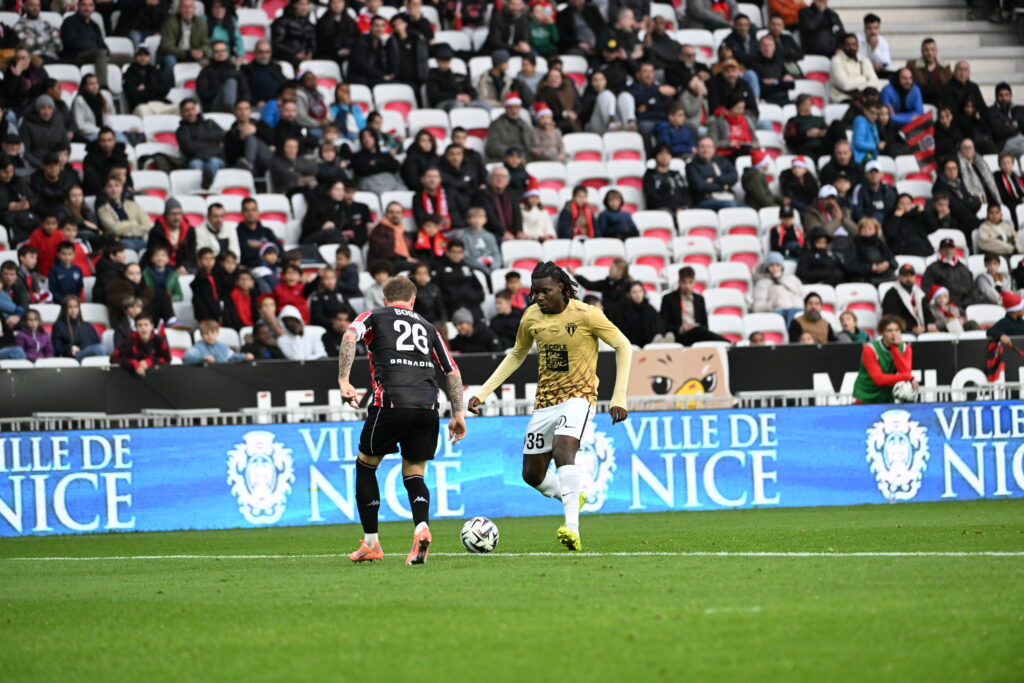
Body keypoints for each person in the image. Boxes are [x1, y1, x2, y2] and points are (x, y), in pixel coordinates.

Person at [468, 262, 632, 552]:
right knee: (531, 475)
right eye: (535, 292)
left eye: (545, 291)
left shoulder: (587, 314)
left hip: (579, 396)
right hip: (545, 402)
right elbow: (517, 354)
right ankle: (573, 496)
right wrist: (483, 392)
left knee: (563, 449)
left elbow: (623, 345)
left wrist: (619, 397)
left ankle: (572, 528)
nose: (538, 297)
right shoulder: (531, 316)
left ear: (561, 288)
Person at [338, 275, 466, 564]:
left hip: (391, 401)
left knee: (366, 465)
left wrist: (344, 381)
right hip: (427, 406)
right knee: (414, 473)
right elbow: (452, 371)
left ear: (384, 299)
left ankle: (372, 543)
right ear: (412, 300)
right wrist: (458, 413)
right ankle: (421, 528)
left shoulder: (374, 315)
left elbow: (349, 336)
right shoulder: (428, 327)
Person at [852, 315, 915, 403]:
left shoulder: (905, 348)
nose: (894, 334)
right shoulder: (870, 349)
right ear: (882, 333)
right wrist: (909, 377)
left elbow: (905, 373)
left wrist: (894, 348)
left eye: (897, 330)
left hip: (886, 397)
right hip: (865, 396)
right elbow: (879, 379)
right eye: (889, 330)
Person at [659, 266, 728, 345]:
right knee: (699, 331)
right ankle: (727, 343)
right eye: (684, 282)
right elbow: (664, 324)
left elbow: (705, 324)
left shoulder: (699, 299)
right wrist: (682, 328)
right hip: (679, 336)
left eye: (690, 282)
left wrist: (694, 327)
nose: (687, 286)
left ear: (694, 282)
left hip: (698, 334)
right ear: (679, 282)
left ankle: (726, 343)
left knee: (699, 330)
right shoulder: (669, 299)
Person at [157, 0, 210, 85]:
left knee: (210, 57)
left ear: (194, 9)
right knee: (170, 60)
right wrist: (187, 53)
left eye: (190, 7)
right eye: (185, 7)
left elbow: (206, 43)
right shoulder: (170, 23)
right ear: (179, 9)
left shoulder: (201, 24)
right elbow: (166, 46)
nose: (188, 10)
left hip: (193, 54)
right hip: (175, 54)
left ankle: (204, 86)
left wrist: (202, 51)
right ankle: (167, 87)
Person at [176, 99, 225, 188]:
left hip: (215, 157)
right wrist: (211, 143)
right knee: (196, 165)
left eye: (192, 109)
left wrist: (197, 140)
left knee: (214, 162)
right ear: (182, 113)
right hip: (195, 159)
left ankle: (207, 186)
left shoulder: (210, 123)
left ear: (197, 110)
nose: (190, 113)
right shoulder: (181, 130)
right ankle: (202, 189)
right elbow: (189, 148)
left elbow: (222, 136)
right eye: (187, 110)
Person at [932, 156, 982, 242]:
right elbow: (956, 208)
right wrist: (967, 203)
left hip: (967, 218)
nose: (952, 172)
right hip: (955, 221)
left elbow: (976, 203)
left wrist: (964, 203)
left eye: (954, 168)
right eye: (949, 169)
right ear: (943, 171)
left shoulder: (959, 182)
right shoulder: (939, 187)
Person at [686, 136, 741, 209]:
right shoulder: (691, 166)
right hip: (704, 200)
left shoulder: (722, 161)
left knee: (749, 209)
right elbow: (700, 186)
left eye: (709, 147)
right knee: (731, 205)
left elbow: (734, 176)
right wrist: (723, 187)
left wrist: (714, 179)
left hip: (727, 197)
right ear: (697, 149)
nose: (706, 150)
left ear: (714, 149)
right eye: (702, 147)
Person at [921, 238, 976, 309]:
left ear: (955, 250)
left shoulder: (964, 269)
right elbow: (927, 289)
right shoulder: (933, 268)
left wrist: (966, 305)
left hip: (965, 307)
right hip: (943, 307)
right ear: (940, 251)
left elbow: (972, 289)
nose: (948, 250)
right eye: (945, 248)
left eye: (951, 248)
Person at [196, 41, 248, 114]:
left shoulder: (236, 71)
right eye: (217, 51)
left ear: (227, 52)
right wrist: (223, 90)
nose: (221, 54)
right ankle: (231, 110)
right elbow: (203, 94)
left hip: (238, 107)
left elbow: (245, 93)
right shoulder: (206, 72)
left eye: (223, 51)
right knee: (231, 83)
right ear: (212, 53)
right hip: (214, 106)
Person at [753, 252, 804, 323]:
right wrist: (772, 305)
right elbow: (757, 307)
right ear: (767, 267)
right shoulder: (763, 283)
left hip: (799, 311)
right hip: (779, 313)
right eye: (771, 265)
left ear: (782, 267)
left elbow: (803, 296)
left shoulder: (792, 279)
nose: (775, 268)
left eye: (778, 265)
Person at [52, 294, 105, 360]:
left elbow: (96, 342)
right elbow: (57, 348)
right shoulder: (59, 326)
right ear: (64, 309)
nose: (73, 310)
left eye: (76, 307)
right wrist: (69, 348)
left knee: (101, 349)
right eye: (70, 307)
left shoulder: (87, 325)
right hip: (73, 356)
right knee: (100, 349)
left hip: (91, 354)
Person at [610, 281, 661, 346]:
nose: (638, 295)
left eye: (640, 291)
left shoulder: (649, 308)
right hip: (631, 342)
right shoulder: (621, 310)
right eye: (634, 292)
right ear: (628, 294)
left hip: (650, 342)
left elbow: (658, 324)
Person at [643, 144, 691, 213]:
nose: (664, 156)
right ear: (656, 156)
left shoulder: (676, 175)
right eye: (661, 153)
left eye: (667, 153)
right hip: (661, 210)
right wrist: (674, 208)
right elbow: (652, 197)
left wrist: (686, 206)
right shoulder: (650, 175)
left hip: (680, 209)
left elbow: (685, 193)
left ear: (671, 156)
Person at [906, 38, 950, 108]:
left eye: (932, 50)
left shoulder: (945, 66)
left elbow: (949, 86)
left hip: (940, 103)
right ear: (922, 51)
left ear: (936, 51)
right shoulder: (912, 65)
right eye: (926, 50)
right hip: (921, 102)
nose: (930, 53)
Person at [184, 319, 251, 364]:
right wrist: (203, 359)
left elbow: (232, 357)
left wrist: (245, 357)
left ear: (217, 333)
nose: (210, 336)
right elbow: (186, 358)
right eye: (206, 333)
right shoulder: (198, 347)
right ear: (201, 335)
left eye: (212, 333)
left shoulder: (223, 347)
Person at [271, 0, 315, 67]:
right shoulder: (281, 22)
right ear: (294, 5)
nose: (305, 7)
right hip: (287, 58)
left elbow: (313, 44)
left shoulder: (310, 25)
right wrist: (295, 54)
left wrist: (309, 53)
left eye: (307, 4)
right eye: (301, 4)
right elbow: (277, 44)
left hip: (306, 58)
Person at [993, 153, 1024, 229]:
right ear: (1000, 165)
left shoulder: (1016, 176)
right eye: (1003, 163)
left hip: (1018, 200)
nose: (1006, 166)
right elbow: (1003, 194)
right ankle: (1016, 228)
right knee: (1012, 206)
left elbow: (1020, 191)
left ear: (1012, 164)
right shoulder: (997, 177)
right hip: (1008, 201)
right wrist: (1020, 200)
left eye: (1008, 163)